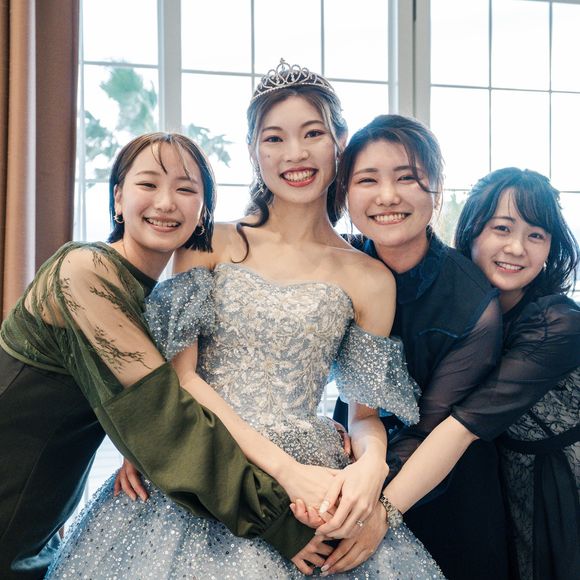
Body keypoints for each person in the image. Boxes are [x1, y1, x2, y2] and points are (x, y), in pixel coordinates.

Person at [46, 61, 444, 578]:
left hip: (317, 475)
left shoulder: (370, 278)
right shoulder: (209, 242)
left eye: (312, 134)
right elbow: (182, 378)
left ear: (339, 142)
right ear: (254, 151)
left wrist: (371, 466)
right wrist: (287, 473)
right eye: (274, 138)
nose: (295, 154)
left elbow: (363, 416)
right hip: (208, 457)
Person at [0, 132, 322, 580]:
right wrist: (277, 518)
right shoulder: (84, 270)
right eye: (148, 184)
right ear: (118, 197)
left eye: (186, 189)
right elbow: (163, 415)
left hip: (41, 517)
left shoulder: (163, 300)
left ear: (203, 210)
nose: (166, 203)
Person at [330, 115, 509, 579]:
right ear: (345, 193)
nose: (387, 196)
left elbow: (426, 430)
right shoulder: (336, 266)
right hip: (348, 468)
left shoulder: (472, 302)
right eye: (367, 180)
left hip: (446, 493)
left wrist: (356, 499)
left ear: (436, 189)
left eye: (407, 177)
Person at [380, 168, 579, 580]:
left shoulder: (557, 323)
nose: (516, 248)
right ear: (472, 229)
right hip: (500, 485)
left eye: (536, 235)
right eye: (501, 228)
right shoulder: (455, 307)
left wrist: (376, 514)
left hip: (562, 486)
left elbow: (459, 426)